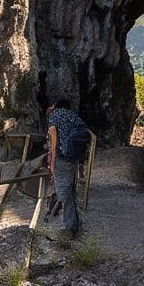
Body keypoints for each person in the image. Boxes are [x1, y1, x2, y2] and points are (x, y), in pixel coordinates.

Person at [46, 98, 89, 238]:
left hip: (62, 157)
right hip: (74, 158)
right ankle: (75, 223)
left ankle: (68, 229)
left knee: (63, 193)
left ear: (55, 106)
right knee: (70, 189)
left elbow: (54, 143)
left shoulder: (54, 117)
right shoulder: (73, 116)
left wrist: (52, 164)